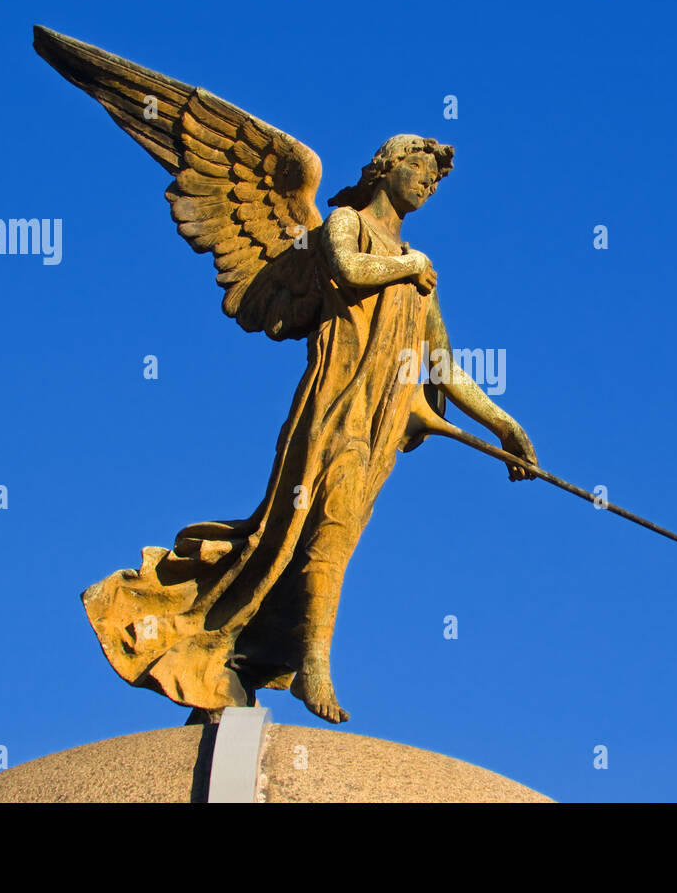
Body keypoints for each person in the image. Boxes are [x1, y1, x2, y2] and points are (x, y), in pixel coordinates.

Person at [82, 135, 539, 723]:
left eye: (436, 181)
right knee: (324, 523)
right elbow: (347, 266)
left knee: (323, 541)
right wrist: (411, 266)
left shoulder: (420, 275)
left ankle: (236, 649)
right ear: (387, 168)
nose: (428, 184)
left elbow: (440, 366)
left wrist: (505, 425)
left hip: (379, 426)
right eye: (422, 169)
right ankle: (313, 669)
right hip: (333, 408)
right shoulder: (345, 225)